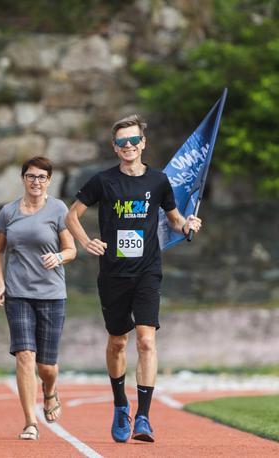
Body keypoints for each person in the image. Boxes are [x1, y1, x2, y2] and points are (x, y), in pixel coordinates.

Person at [65, 114, 202, 443]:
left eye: (133, 141)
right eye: (121, 142)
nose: (128, 146)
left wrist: (187, 226)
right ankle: (120, 405)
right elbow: (71, 215)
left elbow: (173, 219)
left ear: (143, 143)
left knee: (146, 341)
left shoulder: (158, 181)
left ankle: (143, 416)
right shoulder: (103, 181)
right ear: (115, 147)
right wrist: (86, 242)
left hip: (147, 271)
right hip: (113, 273)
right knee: (117, 342)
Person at [0, 156, 77, 441]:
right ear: (23, 179)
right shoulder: (8, 212)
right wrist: (1, 282)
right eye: (31, 176)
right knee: (25, 356)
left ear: (49, 180)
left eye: (41, 177)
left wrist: (59, 257)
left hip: (52, 295)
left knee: (46, 367)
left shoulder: (58, 209)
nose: (36, 182)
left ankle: (50, 391)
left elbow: (71, 250)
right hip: (18, 294)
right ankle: (30, 422)